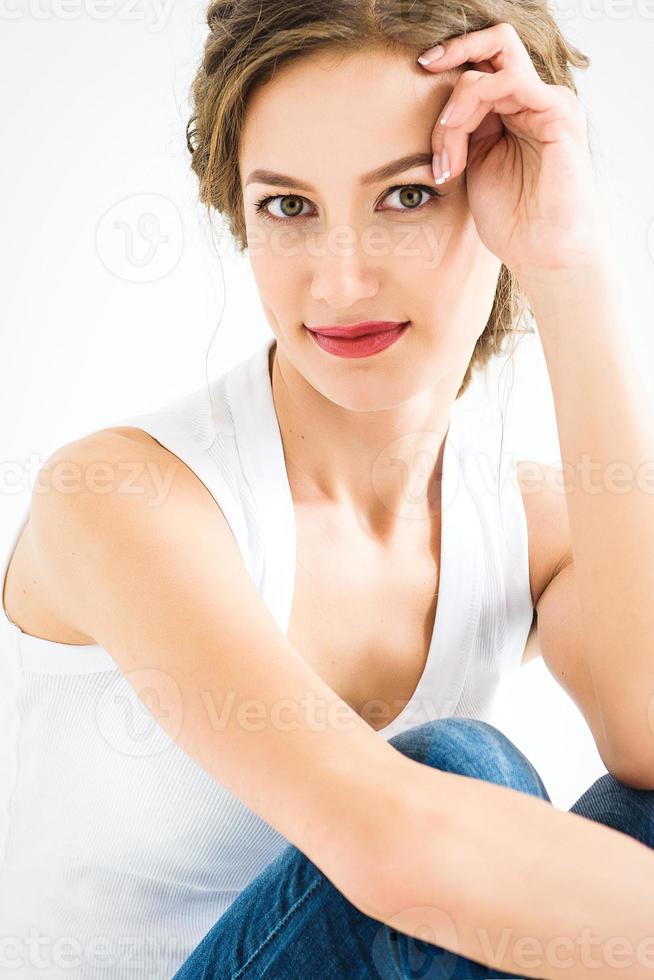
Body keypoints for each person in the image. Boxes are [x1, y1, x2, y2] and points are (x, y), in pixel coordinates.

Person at [2, 1, 654, 978]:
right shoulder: (123, 496)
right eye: (289, 207)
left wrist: (568, 269)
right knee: (464, 782)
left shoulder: (529, 526)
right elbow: (399, 850)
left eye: (406, 196)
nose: (342, 281)